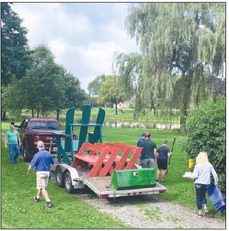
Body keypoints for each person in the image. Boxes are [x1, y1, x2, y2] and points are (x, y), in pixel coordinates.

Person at [27, 141, 55, 208]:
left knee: (42, 188)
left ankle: (48, 202)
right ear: (44, 146)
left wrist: (28, 171)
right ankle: (37, 197)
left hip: (40, 173)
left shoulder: (37, 155)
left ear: (37, 147)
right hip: (47, 173)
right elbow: (53, 163)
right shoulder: (48, 154)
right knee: (42, 186)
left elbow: (32, 164)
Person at [192, 151, 218, 216]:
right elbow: (215, 174)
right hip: (206, 183)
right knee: (204, 195)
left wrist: (190, 176)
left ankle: (200, 211)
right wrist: (216, 182)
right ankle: (205, 207)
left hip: (198, 183)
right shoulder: (209, 165)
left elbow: (195, 176)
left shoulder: (197, 165)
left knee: (199, 197)